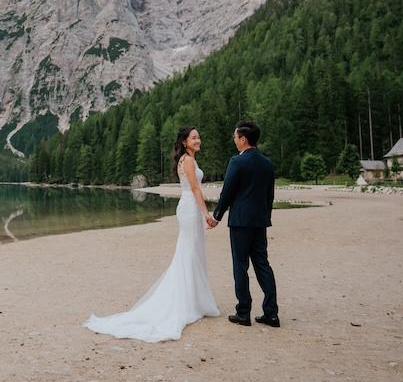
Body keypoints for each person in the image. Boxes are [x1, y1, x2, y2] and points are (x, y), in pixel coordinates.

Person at [83, 125, 219, 342]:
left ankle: (193, 300)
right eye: (194, 138)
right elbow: (195, 189)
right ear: (184, 141)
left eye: (198, 137)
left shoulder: (185, 160)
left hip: (187, 206)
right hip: (191, 207)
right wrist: (206, 214)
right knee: (189, 253)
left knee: (189, 253)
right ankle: (188, 302)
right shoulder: (189, 161)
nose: (198, 140)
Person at [208, 120, 280, 327]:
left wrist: (217, 216)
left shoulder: (237, 162)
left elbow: (227, 192)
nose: (234, 140)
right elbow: (269, 196)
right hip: (260, 221)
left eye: (235, 136)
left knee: (240, 265)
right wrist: (265, 216)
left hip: (240, 221)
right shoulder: (267, 163)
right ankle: (271, 313)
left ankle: (243, 312)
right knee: (262, 264)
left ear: (243, 139)